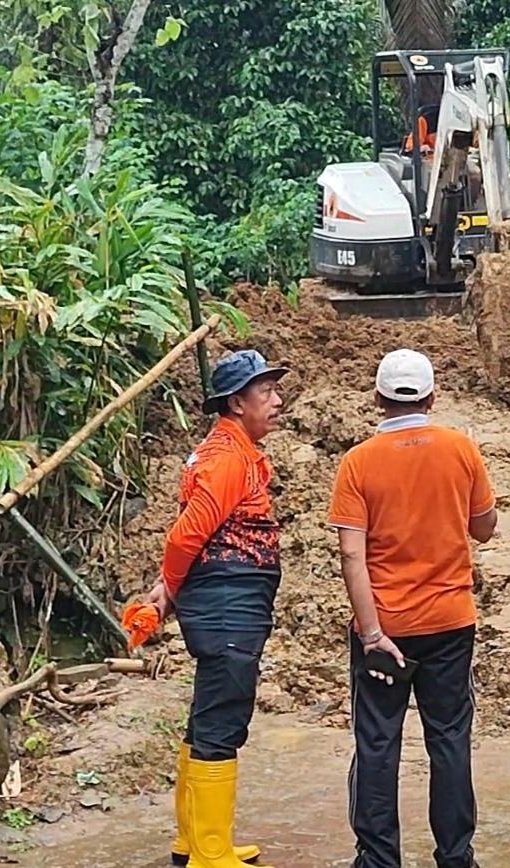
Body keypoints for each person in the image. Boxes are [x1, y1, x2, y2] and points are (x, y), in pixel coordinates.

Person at [328, 349, 498, 868]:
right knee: (448, 738)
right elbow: (485, 527)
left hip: (386, 629)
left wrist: (373, 632)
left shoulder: (358, 463)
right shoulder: (460, 450)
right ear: (433, 396)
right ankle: (455, 856)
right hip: (450, 623)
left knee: (377, 743)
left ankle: (378, 860)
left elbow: (351, 554)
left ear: (378, 399)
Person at [145, 349, 290, 868]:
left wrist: (168, 589)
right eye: (266, 391)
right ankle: (209, 854)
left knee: (210, 711)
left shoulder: (230, 451)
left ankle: (197, 843)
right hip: (227, 600)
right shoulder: (227, 458)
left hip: (227, 598)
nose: (278, 400)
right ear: (235, 403)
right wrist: (168, 583)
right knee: (224, 715)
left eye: (276, 388)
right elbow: (188, 533)